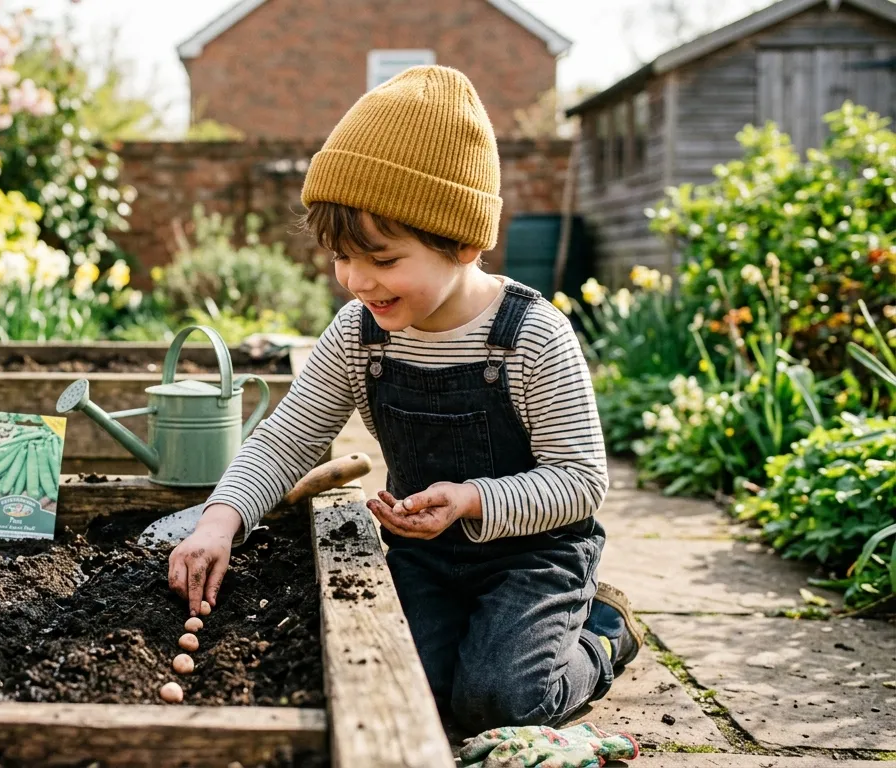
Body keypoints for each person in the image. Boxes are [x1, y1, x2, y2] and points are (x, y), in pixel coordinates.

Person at [166, 65, 642, 736]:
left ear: (465, 242)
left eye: (384, 260)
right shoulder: (360, 336)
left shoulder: (532, 337)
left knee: (503, 701)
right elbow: (287, 439)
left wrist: (473, 499)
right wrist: (218, 523)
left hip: (536, 553)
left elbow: (582, 482)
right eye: (340, 258)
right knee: (398, 683)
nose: (357, 280)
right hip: (428, 555)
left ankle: (602, 631)